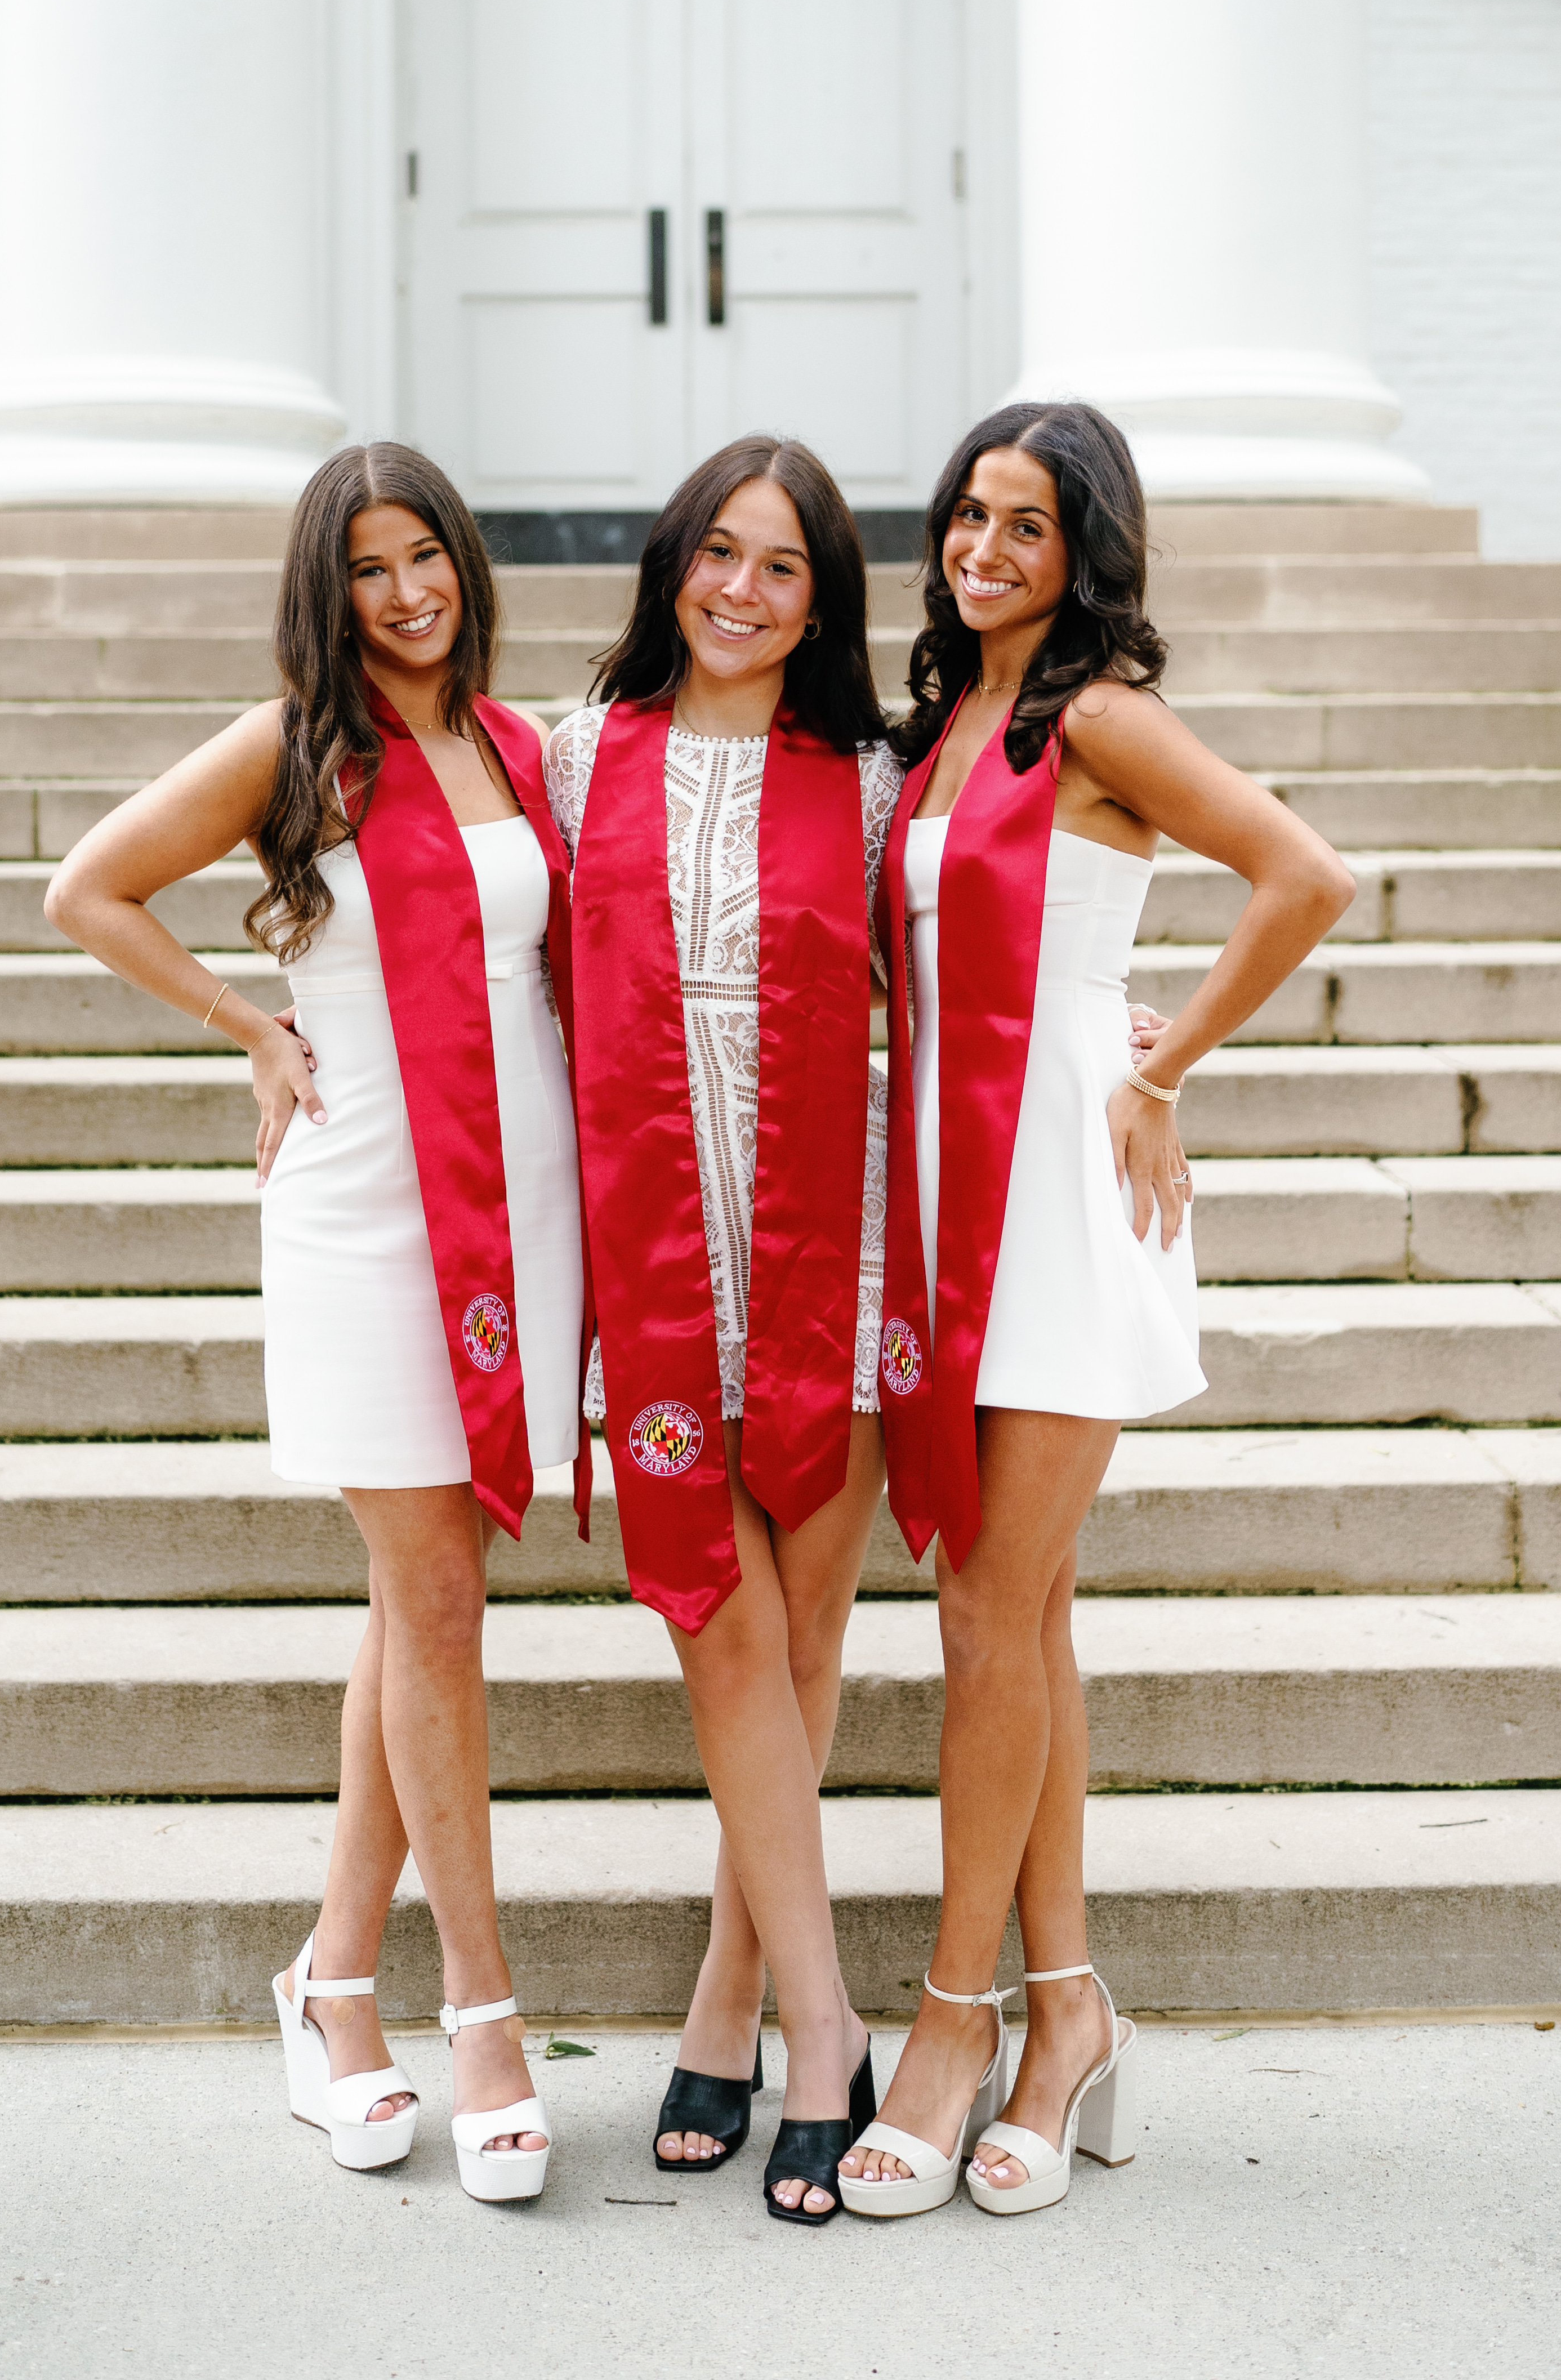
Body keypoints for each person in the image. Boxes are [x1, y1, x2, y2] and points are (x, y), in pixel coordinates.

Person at [43, 442, 582, 2205]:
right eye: (369, 570)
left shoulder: (514, 745)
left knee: (414, 1603)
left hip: (523, 1210)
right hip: (366, 1212)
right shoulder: (297, 747)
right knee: (434, 1604)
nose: (408, 594)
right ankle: (480, 2012)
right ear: (324, 591)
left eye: (428, 557)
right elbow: (91, 885)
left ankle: (326, 1984)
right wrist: (253, 1026)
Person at [840, 401, 1355, 2222]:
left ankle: (951, 2024)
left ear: (1086, 553)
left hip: (1064, 1191)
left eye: (1029, 525)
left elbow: (1303, 876)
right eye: (970, 514)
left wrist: (1165, 1069)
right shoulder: (943, 724)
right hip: (941, 1194)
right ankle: (1070, 2018)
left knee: (987, 1606)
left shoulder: (1100, 716)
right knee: (1021, 1612)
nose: (987, 549)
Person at [544, 436, 899, 2222]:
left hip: (829, 1270)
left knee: (805, 1642)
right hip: (660, 1264)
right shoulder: (565, 756)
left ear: (823, 600)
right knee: (726, 1635)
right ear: (671, 562)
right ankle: (817, 2024)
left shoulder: (881, 784)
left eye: (783, 567)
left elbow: (990, 957)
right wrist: (269, 1021)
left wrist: (1132, 1027)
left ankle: (728, 1996)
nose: (742, 591)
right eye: (718, 553)